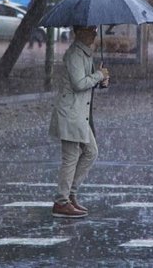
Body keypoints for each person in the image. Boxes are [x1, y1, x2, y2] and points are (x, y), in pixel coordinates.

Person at [49, 25, 109, 218]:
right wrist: (98, 76)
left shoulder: (86, 54)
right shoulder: (75, 54)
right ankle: (61, 201)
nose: (94, 33)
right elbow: (79, 83)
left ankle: (71, 194)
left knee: (91, 152)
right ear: (80, 32)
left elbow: (88, 82)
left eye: (94, 29)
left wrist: (102, 80)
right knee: (71, 157)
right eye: (90, 30)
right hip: (71, 114)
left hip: (79, 115)